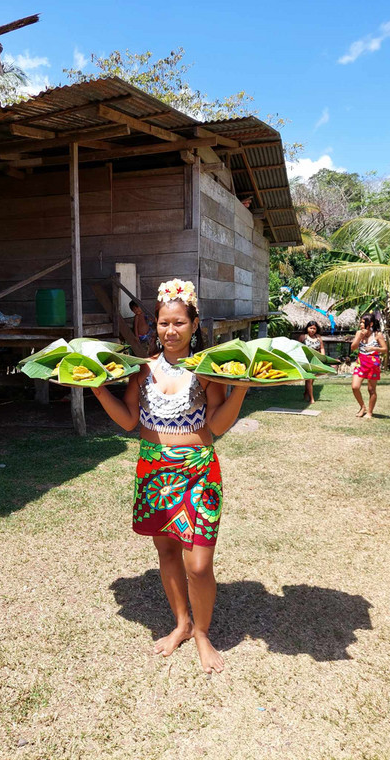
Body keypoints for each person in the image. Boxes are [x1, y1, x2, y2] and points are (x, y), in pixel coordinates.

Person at [93, 279, 250, 674]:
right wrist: (97, 391)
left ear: (194, 325)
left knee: (198, 564)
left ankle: (202, 633)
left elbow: (216, 425)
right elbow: (129, 420)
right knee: (166, 552)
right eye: (164, 323)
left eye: (179, 322)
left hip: (198, 468)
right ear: (157, 324)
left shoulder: (206, 370)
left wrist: (241, 390)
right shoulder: (142, 370)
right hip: (153, 468)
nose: (170, 331)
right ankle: (181, 624)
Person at [350, 314, 387, 418]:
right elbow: (353, 347)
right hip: (361, 362)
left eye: (363, 322)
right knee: (355, 387)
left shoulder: (377, 334)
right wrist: (360, 337)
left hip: (373, 363)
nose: (361, 324)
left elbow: (385, 349)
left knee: (371, 389)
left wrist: (374, 349)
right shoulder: (359, 333)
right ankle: (362, 407)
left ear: (370, 324)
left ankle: (370, 412)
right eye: (360, 322)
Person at [298, 320, 325, 404]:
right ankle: (312, 398)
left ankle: (306, 393)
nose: (312, 330)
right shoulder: (303, 337)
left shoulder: (318, 337)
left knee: (311, 380)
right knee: (309, 379)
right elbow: (297, 347)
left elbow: (322, 348)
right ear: (307, 328)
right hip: (306, 361)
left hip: (316, 361)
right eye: (311, 328)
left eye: (314, 328)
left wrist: (322, 358)